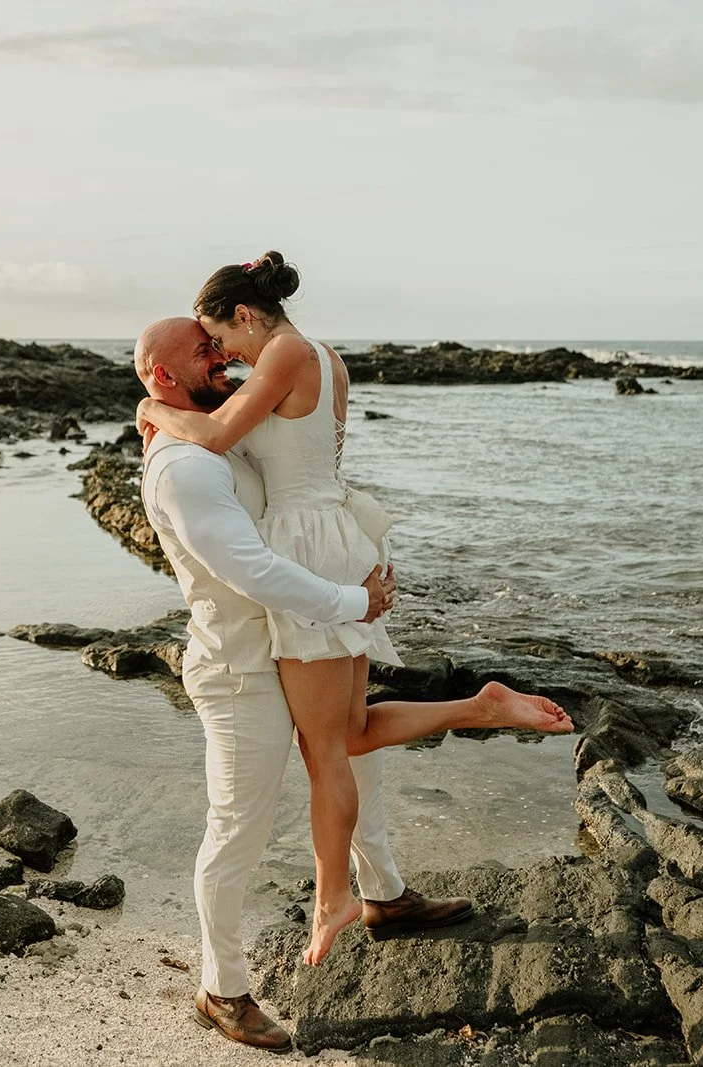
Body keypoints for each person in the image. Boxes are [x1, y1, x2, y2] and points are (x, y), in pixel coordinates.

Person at [135, 316, 572, 1053]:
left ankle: (385, 893)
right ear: (164, 374)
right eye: (203, 352)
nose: (220, 357)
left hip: (285, 640)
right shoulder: (185, 469)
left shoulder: (213, 431)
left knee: (352, 747)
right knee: (239, 826)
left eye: (217, 343)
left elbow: (291, 461)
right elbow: (255, 570)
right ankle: (221, 986)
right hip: (240, 669)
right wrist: (352, 603)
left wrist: (154, 410)